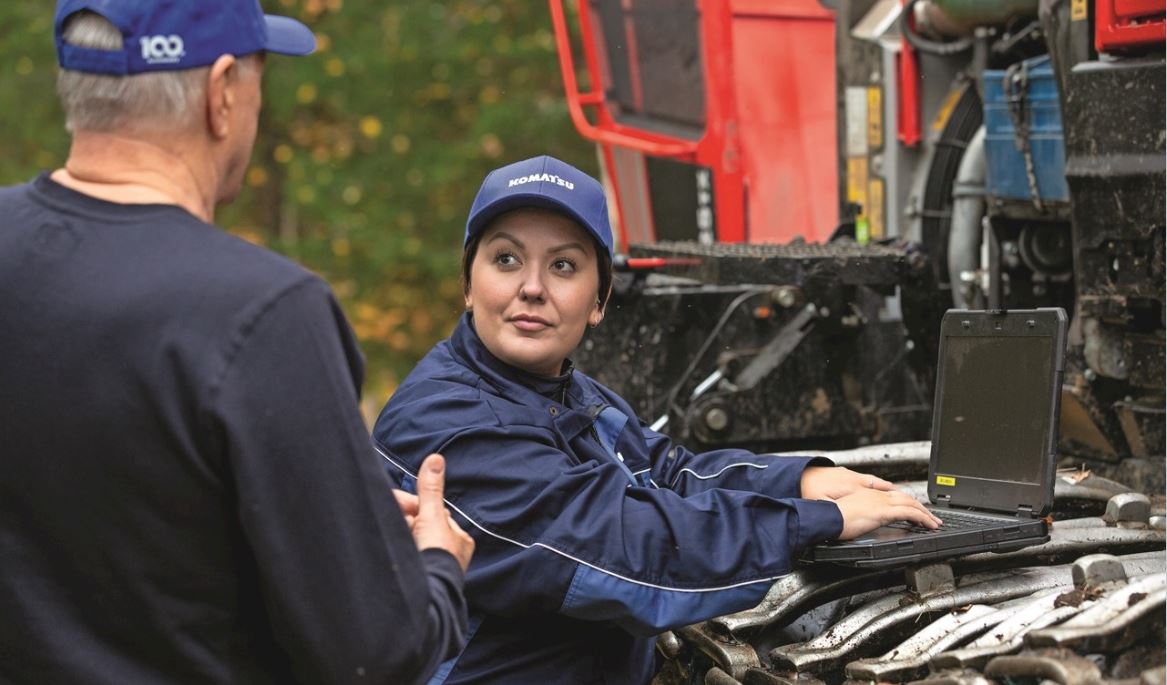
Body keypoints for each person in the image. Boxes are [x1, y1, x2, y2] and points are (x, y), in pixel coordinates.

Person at [0, 1, 473, 683]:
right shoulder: (265, 313)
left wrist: (333, 512)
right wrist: (434, 565)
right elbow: (377, 652)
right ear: (221, 94)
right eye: (257, 77)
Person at [372, 155, 942, 684]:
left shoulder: (567, 393)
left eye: (564, 265)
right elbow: (626, 546)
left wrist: (798, 480)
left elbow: (667, 471)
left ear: (598, 302)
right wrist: (811, 521)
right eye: (506, 259)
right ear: (468, 284)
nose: (532, 287)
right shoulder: (445, 422)